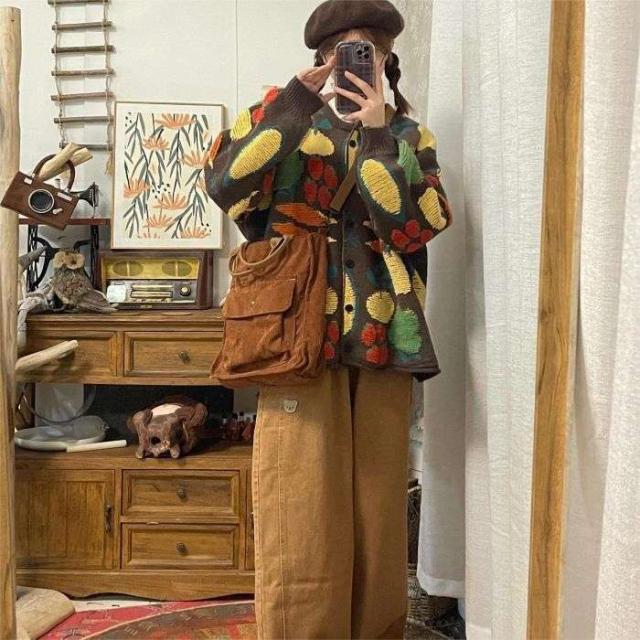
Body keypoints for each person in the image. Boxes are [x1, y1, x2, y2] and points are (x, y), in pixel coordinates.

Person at [205, 1, 453, 637]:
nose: (354, 62)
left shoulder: (409, 136)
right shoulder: (280, 115)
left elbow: (417, 227)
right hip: (294, 331)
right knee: (297, 499)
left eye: (368, 50)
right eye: (342, 51)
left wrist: (379, 136)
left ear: (386, 60)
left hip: (383, 334)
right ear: (321, 58)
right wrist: (295, 102)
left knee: (377, 505)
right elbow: (224, 183)